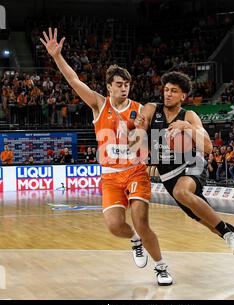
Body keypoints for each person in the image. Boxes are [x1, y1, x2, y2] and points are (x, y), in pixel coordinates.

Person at [40, 28, 172, 286]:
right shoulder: (99, 104)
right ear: (109, 86)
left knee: (141, 221)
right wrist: (57, 57)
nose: (124, 88)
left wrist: (136, 133)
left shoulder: (139, 109)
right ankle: (134, 240)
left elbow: (144, 138)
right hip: (110, 177)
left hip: (135, 172)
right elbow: (74, 80)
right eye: (119, 84)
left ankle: (161, 267)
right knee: (114, 226)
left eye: (127, 85)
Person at [135, 71, 234, 273]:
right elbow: (139, 132)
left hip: (192, 166)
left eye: (174, 91)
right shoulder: (151, 109)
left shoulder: (189, 115)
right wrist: (137, 129)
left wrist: (188, 128)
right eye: (166, 90)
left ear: (183, 96)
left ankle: (229, 235)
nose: (168, 94)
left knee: (182, 192)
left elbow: (207, 148)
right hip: (168, 175)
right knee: (211, 224)